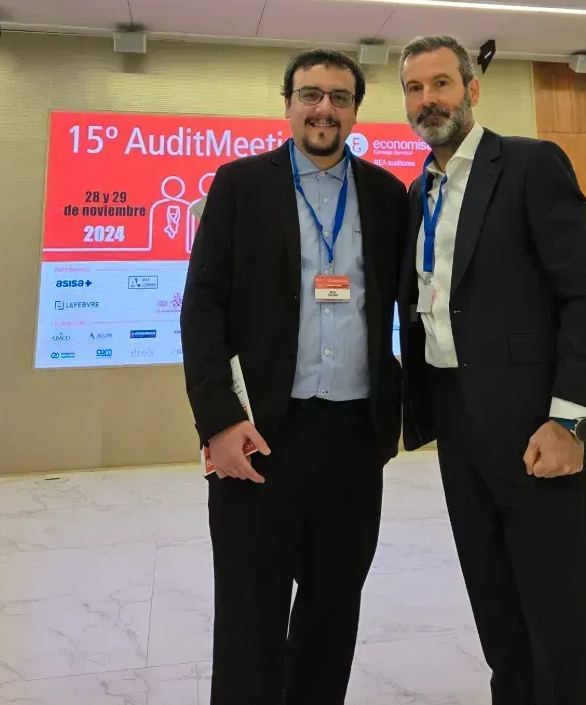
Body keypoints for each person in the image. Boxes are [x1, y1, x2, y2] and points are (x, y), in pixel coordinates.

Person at [181, 48, 408, 705]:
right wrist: (218, 421)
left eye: (339, 97)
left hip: (355, 435)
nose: (324, 109)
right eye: (311, 94)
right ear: (287, 105)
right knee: (251, 611)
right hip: (261, 433)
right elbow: (203, 307)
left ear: (355, 112)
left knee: (334, 605)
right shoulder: (239, 185)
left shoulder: (387, 196)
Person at [398, 34, 586, 705]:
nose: (427, 99)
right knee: (497, 610)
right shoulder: (416, 193)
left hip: (535, 428)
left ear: (472, 88)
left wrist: (568, 420)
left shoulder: (528, 165)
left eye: (440, 83)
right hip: (458, 426)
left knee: (561, 618)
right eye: (414, 88)